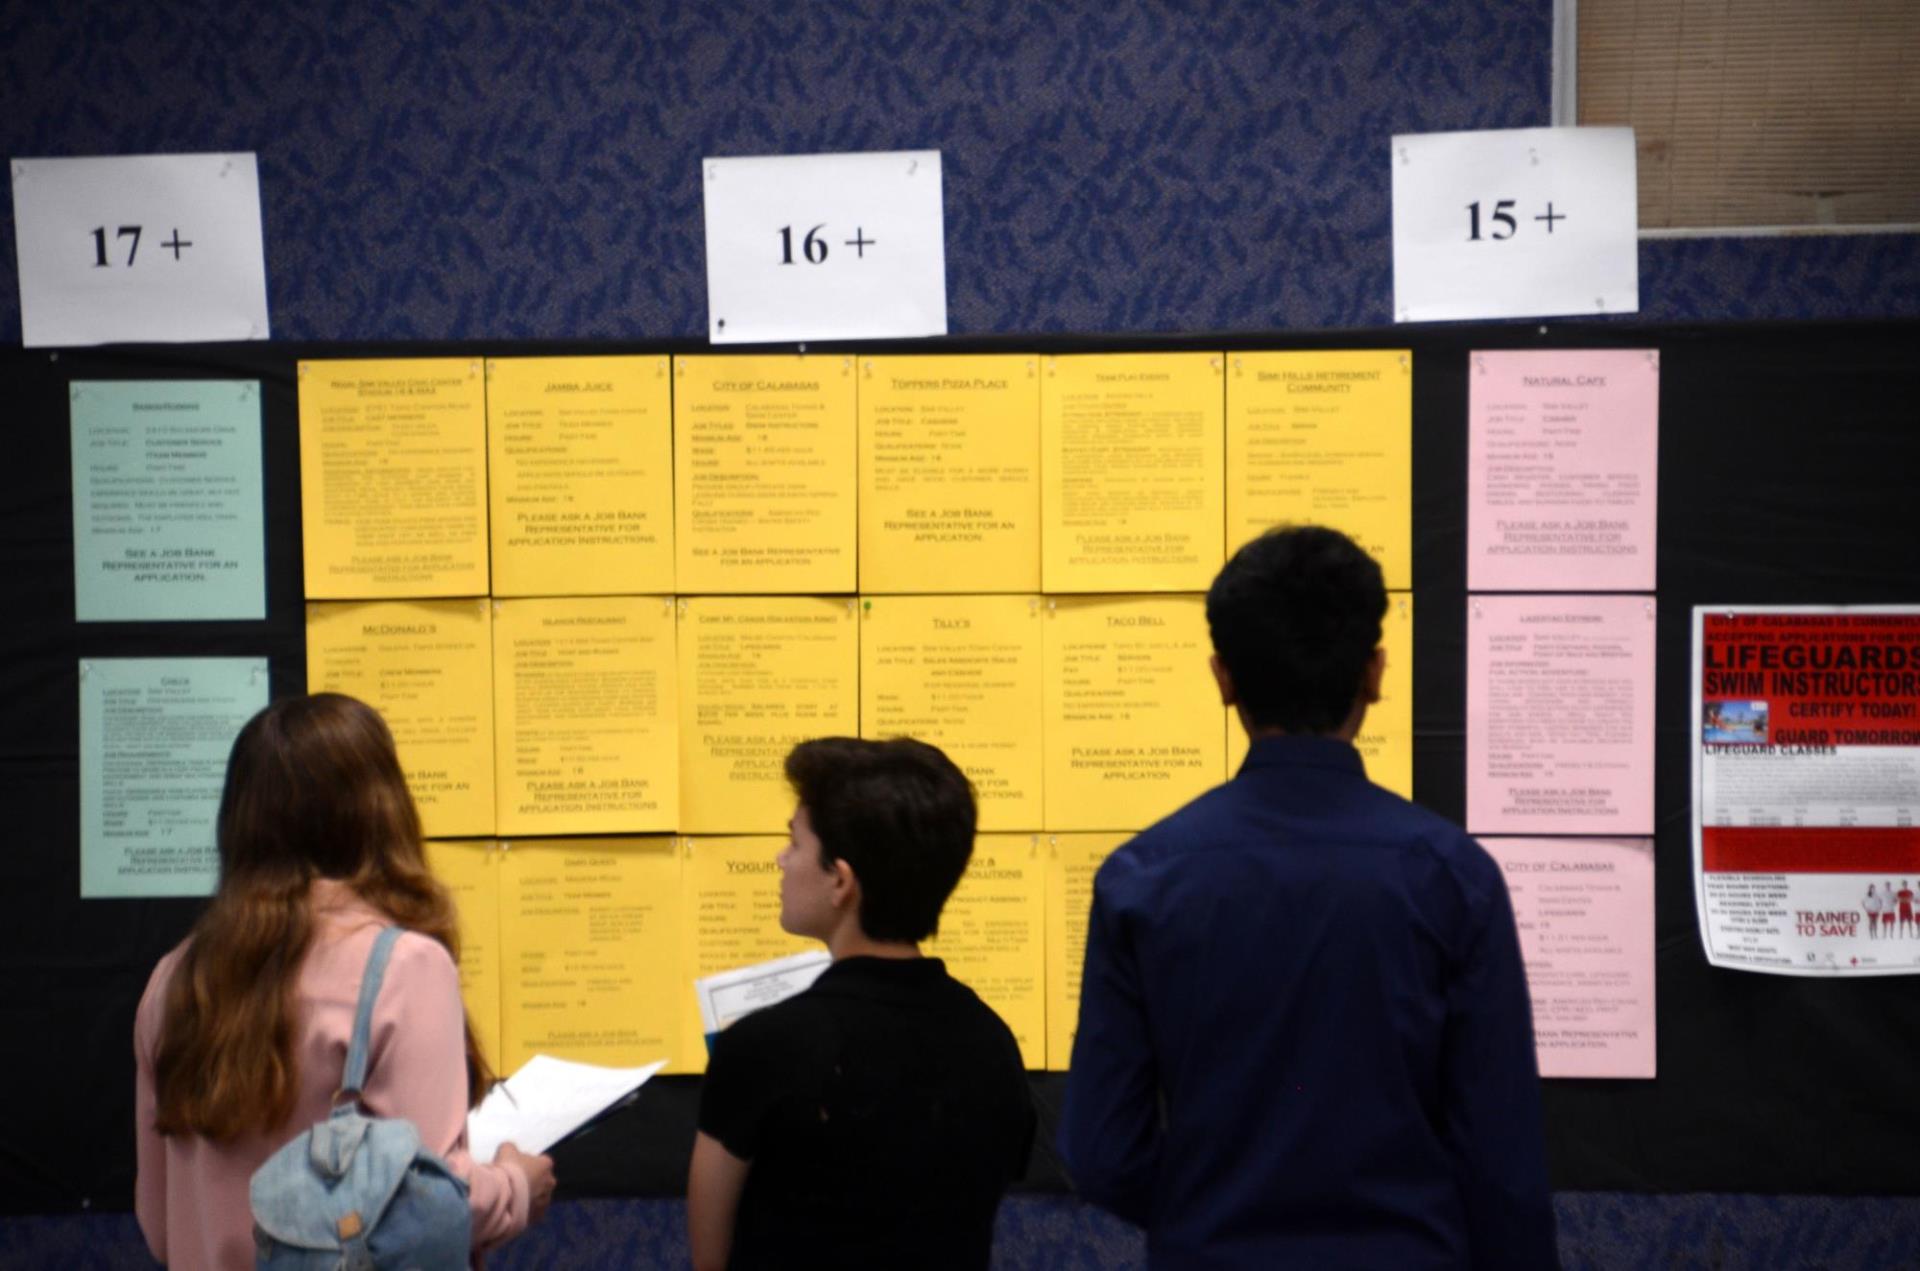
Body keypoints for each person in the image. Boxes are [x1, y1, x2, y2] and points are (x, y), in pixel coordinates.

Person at [1059, 525, 1558, 1269]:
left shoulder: (1143, 877)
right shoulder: (1455, 876)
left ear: (1222, 676)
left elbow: (1100, 1151)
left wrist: (1207, 1212)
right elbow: (1503, 1157)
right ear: (1375, 672)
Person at [134, 693, 555, 1269]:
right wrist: (515, 1186)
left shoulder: (172, 982)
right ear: (382, 812)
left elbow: (161, 1228)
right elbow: (431, 1203)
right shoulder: (404, 968)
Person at [688, 736, 1035, 1271]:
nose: (781, 860)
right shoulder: (993, 1042)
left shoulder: (761, 1049)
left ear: (841, 881)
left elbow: (710, 1261)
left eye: (795, 843)